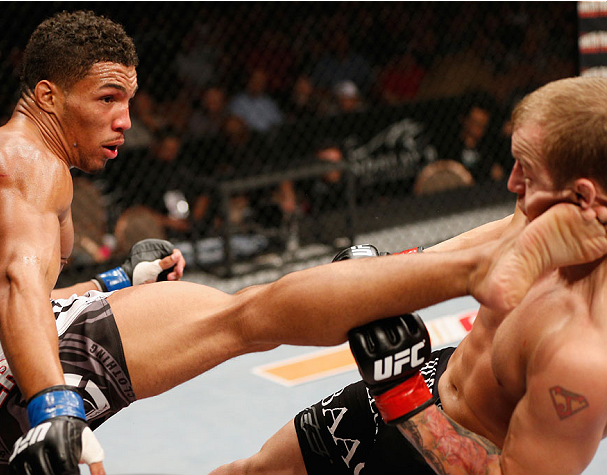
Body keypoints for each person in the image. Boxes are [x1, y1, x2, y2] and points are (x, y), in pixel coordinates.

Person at [0, 11, 606, 475]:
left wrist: (114, 287)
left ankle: (455, 264)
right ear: (45, 94)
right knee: (247, 313)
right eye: (105, 99)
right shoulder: (29, 160)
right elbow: (15, 286)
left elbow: (16, 297)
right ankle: (466, 265)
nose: (126, 120)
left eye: (128, 100)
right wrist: (53, 406)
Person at [209, 76, 607, 475]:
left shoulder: (585, 356)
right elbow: (502, 232)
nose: (511, 181)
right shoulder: (547, 207)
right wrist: (391, 270)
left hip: (458, 451)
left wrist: (401, 393)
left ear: (584, 196)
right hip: (432, 379)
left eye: (528, 171)